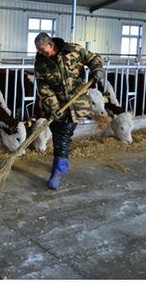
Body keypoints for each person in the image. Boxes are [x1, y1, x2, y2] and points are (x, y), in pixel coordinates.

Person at [34, 32, 104, 190]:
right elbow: (43, 87)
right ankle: (61, 163)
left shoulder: (73, 50)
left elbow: (94, 58)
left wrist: (97, 70)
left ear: (51, 44)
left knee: (63, 137)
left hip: (76, 104)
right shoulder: (40, 63)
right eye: (38, 50)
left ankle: (58, 172)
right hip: (54, 107)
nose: (40, 53)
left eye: (42, 49)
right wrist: (54, 107)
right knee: (58, 134)